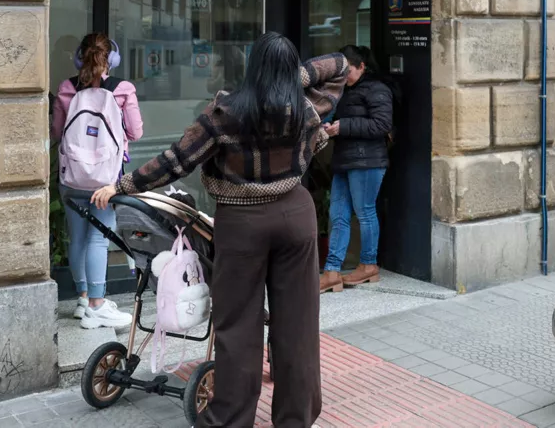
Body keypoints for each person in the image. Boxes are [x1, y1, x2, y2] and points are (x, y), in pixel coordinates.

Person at [90, 32, 348, 428]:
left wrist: (122, 185)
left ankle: (230, 419)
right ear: (290, 70)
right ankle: (295, 420)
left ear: (252, 67)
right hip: (296, 217)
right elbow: (341, 67)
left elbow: (176, 160)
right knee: (297, 326)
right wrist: (288, 78)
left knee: (238, 327)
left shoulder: (225, 110)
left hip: (242, 224)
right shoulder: (306, 106)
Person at [51, 33, 143, 331]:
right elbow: (136, 132)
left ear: (79, 58)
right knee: (98, 239)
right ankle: (97, 305)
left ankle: (82, 298)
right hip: (104, 179)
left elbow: (56, 133)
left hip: (72, 177)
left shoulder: (67, 88)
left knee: (77, 238)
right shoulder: (122, 89)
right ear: (112, 60)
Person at [319, 45, 394, 294]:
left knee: (365, 213)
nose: (344, 76)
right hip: (344, 160)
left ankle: (369, 264)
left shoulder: (377, 89)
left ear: (361, 66)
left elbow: (382, 124)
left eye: (348, 70)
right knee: (337, 215)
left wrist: (344, 127)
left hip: (368, 161)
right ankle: (332, 271)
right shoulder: (340, 90)